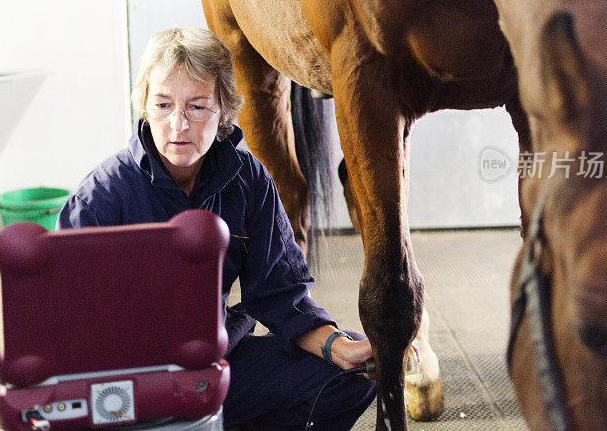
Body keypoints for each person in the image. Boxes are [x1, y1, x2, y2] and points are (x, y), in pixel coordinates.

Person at [57, 27, 376, 430]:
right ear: (144, 108)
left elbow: (280, 292)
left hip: (214, 365)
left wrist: (337, 346)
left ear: (224, 110)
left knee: (351, 376)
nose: (178, 124)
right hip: (127, 381)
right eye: (163, 104)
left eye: (197, 106)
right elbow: (61, 310)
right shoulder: (101, 196)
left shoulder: (249, 181)